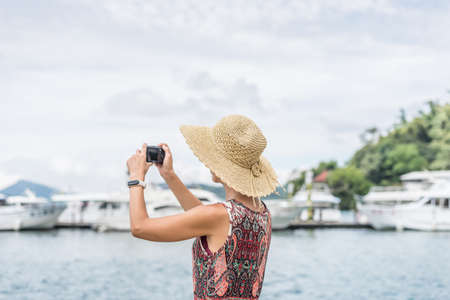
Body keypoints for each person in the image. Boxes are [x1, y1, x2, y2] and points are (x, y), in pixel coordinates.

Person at [126, 114, 282, 299]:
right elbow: (204, 219)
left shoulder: (219, 216)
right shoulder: (263, 214)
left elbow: (139, 227)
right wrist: (169, 175)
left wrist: (136, 177)